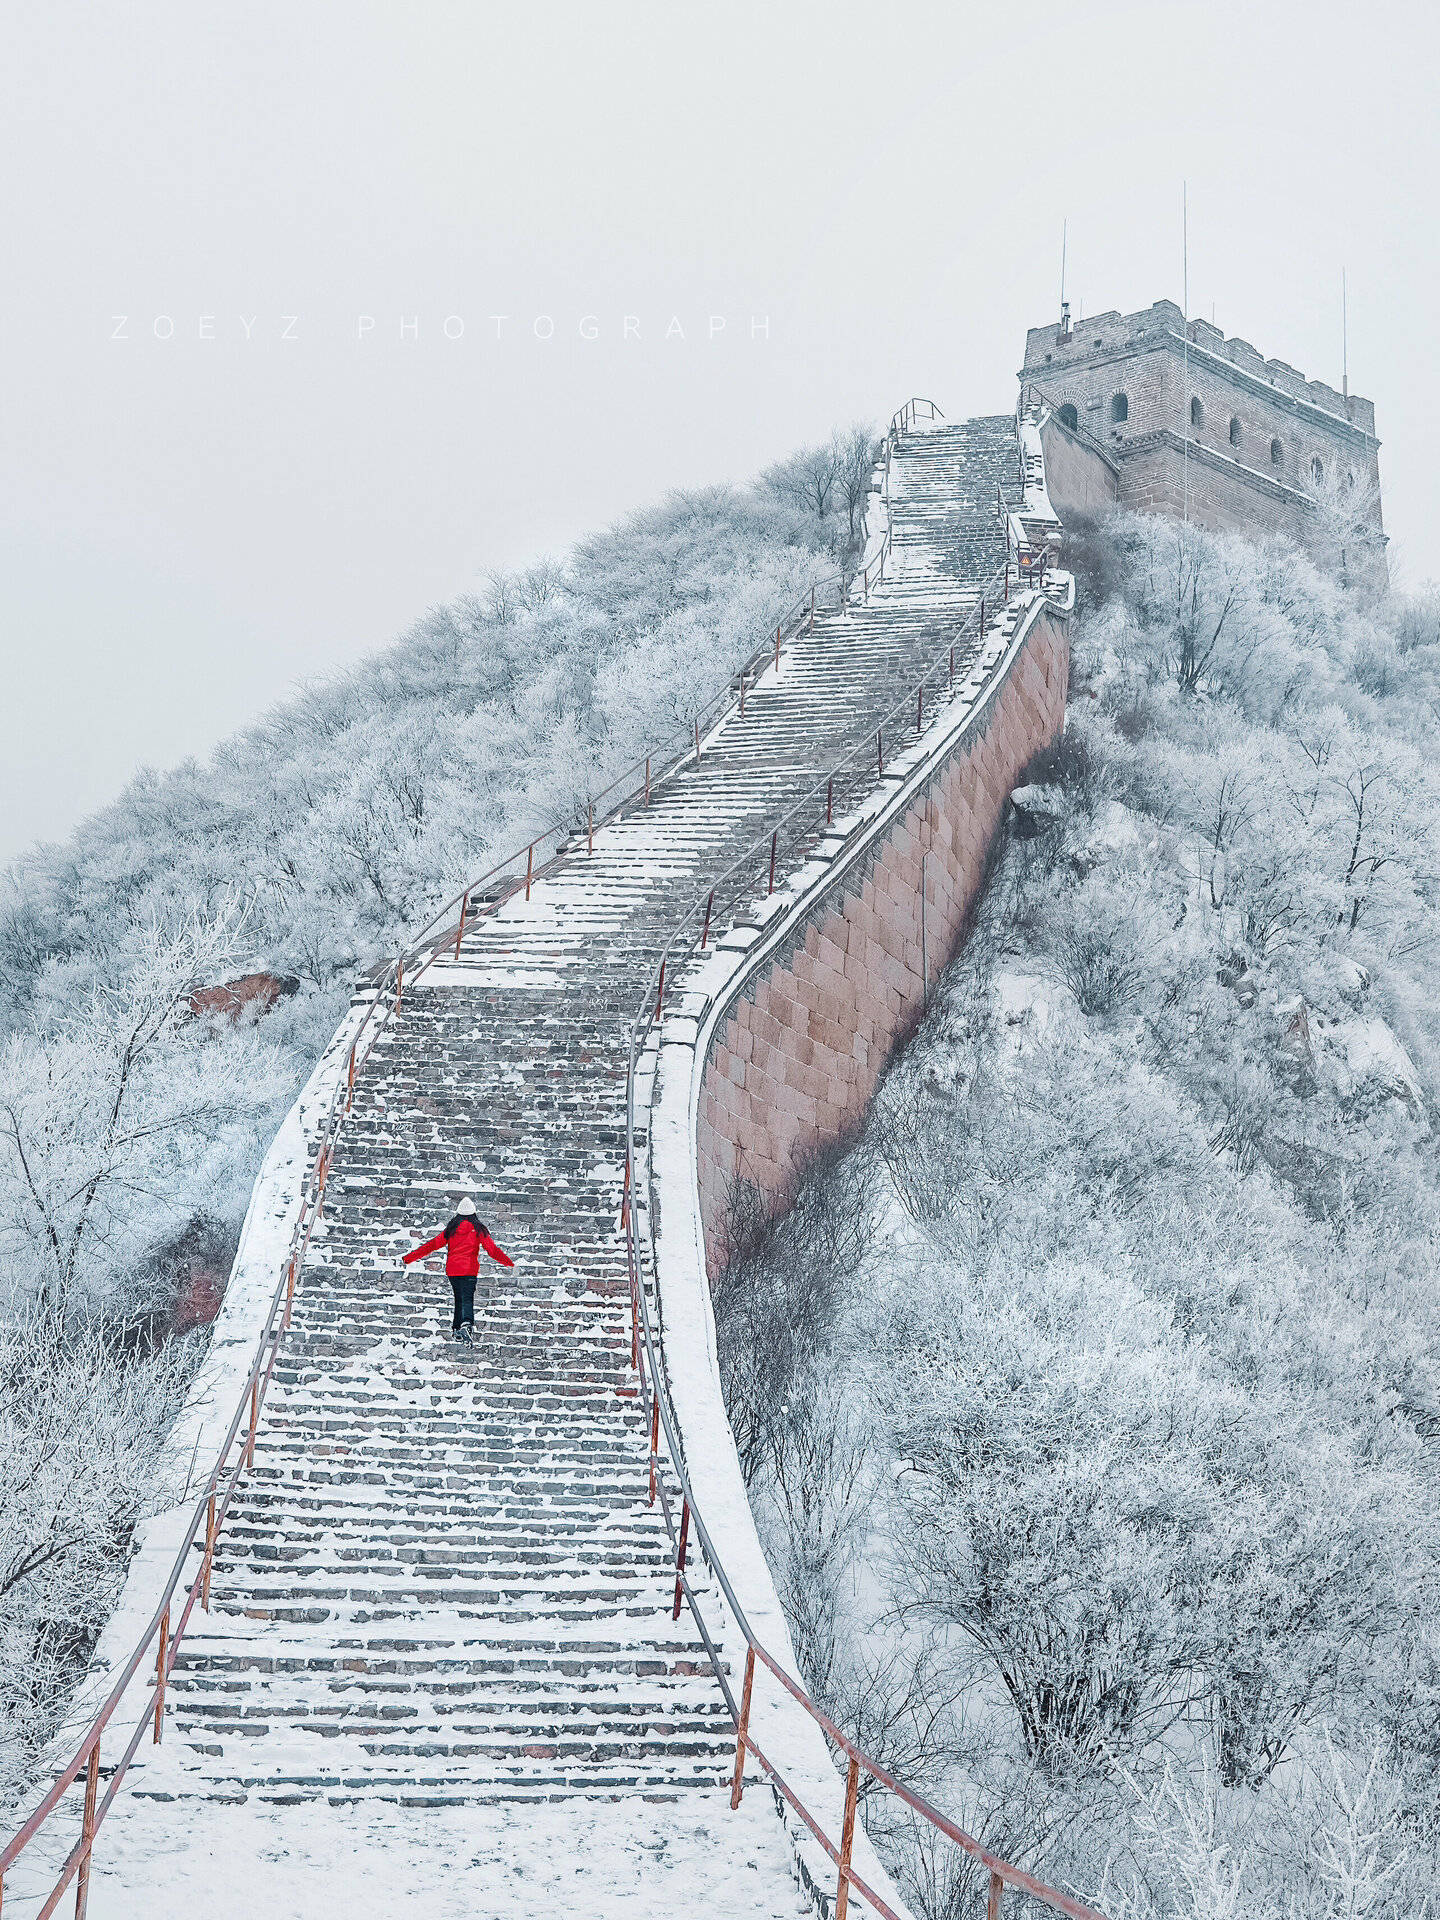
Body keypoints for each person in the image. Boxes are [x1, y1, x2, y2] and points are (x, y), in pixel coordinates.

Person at [402, 1197, 514, 1341]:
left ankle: (456, 1329)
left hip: (453, 1270)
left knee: (459, 1298)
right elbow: (492, 1250)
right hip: (469, 1269)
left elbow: (431, 1245)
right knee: (467, 1297)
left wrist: (409, 1258)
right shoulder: (479, 1229)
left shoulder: (451, 1229)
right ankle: (466, 1324)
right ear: (474, 1213)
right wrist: (509, 1262)